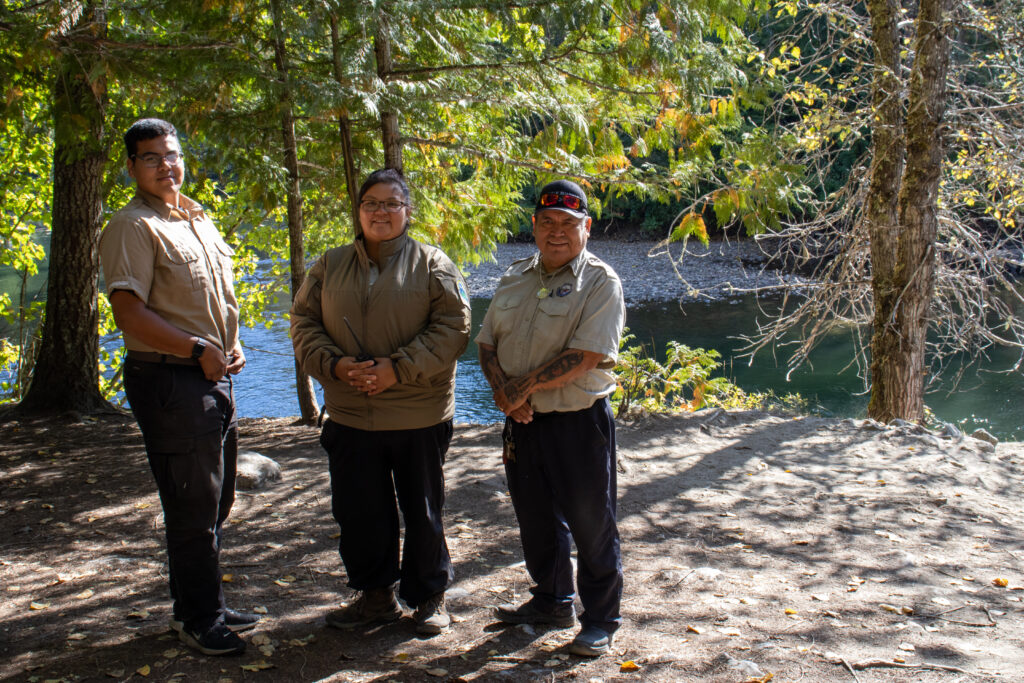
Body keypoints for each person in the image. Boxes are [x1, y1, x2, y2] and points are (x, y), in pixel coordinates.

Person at [99, 118, 258, 656]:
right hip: (171, 381)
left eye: (171, 154)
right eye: (151, 157)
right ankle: (198, 618)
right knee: (192, 506)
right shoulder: (133, 226)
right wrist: (196, 349)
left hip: (214, 378)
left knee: (216, 501)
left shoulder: (195, 218)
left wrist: (229, 344)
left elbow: (208, 305)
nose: (165, 165)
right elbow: (130, 316)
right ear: (132, 167)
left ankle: (200, 600)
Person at [290, 168, 471, 636]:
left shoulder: (433, 264)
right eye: (371, 202)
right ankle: (375, 598)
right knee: (360, 513)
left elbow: (454, 328)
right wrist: (334, 366)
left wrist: (398, 367)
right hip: (351, 414)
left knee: (423, 510)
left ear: (408, 212)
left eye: (392, 203)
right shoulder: (329, 265)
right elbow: (303, 323)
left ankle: (429, 597)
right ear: (359, 210)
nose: (381, 212)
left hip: (418, 413)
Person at [476, 179, 625, 657]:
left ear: (586, 229)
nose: (556, 232)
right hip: (521, 420)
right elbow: (486, 342)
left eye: (568, 223)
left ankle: (600, 619)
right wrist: (504, 391)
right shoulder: (514, 276)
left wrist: (520, 388)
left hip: (578, 421)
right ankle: (551, 600)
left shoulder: (601, 282)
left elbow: (586, 355)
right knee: (535, 518)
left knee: (591, 522)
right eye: (547, 222)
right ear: (535, 226)